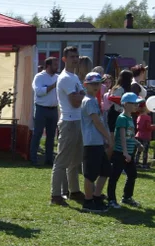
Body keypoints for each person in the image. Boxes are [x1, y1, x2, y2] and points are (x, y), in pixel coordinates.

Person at [51, 46, 85, 206]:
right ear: (64, 59)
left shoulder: (75, 77)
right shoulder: (65, 78)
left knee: (75, 161)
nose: (75, 59)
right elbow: (75, 102)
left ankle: (74, 191)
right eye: (72, 56)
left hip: (77, 121)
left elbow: (81, 98)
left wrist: (81, 96)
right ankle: (56, 195)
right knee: (62, 160)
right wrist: (81, 96)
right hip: (69, 121)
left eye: (77, 56)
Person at [79, 72, 113, 213]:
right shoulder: (88, 100)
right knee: (90, 174)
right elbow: (97, 122)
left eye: (98, 83)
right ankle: (88, 201)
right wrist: (108, 137)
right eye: (92, 84)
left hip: (98, 141)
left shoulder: (93, 99)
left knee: (105, 170)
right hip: (91, 142)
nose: (96, 86)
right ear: (86, 85)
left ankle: (97, 196)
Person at [108, 92, 142, 209]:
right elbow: (122, 136)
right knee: (114, 176)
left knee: (132, 174)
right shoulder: (122, 118)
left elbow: (130, 135)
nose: (137, 106)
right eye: (134, 104)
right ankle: (111, 200)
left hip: (129, 153)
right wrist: (125, 152)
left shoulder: (130, 118)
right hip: (121, 153)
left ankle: (127, 197)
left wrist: (138, 143)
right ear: (126, 104)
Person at [30, 55, 60, 165]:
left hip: (53, 109)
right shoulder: (39, 77)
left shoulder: (58, 77)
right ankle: (33, 158)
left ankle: (49, 159)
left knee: (51, 136)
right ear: (48, 66)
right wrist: (53, 86)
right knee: (37, 134)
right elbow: (39, 92)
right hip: (41, 109)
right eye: (55, 65)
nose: (57, 67)